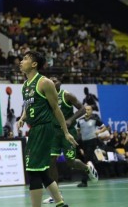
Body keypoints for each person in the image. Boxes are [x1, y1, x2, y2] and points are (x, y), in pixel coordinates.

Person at [17, 51, 77, 207]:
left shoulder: (45, 83)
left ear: (34, 64)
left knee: (33, 170)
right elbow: (28, 105)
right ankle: (61, 204)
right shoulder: (25, 85)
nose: (21, 61)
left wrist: (65, 132)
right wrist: (23, 117)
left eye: (25, 59)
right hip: (35, 129)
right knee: (43, 171)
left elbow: (56, 109)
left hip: (44, 129)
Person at [43, 77, 98, 204]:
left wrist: (71, 120)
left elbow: (83, 109)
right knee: (51, 161)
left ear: (60, 83)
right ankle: (56, 195)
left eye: (56, 80)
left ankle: (87, 168)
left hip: (68, 133)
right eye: (51, 80)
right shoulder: (46, 97)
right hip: (54, 133)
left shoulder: (67, 95)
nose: (53, 82)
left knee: (70, 162)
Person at [76, 105, 108, 179]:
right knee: (90, 160)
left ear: (91, 111)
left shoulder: (95, 119)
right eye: (86, 110)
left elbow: (105, 127)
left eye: (88, 109)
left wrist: (99, 131)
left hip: (93, 141)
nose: (87, 111)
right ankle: (95, 175)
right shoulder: (80, 120)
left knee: (88, 160)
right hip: (84, 143)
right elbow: (78, 132)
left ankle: (84, 180)